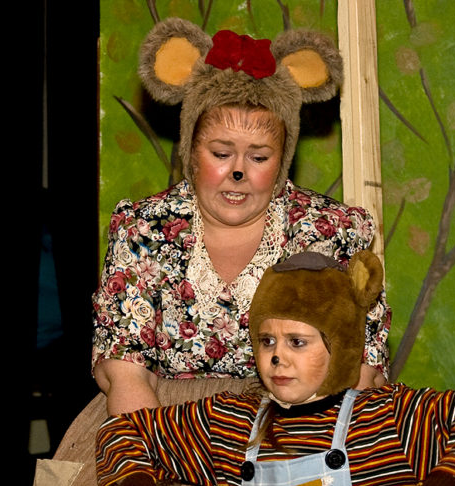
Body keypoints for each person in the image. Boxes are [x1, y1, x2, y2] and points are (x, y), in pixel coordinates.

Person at [93, 250, 455, 486]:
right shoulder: (231, 420)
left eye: (297, 342)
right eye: (267, 341)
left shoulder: (387, 418)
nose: (277, 357)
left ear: (341, 347)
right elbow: (121, 433)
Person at [91, 18, 391, 417]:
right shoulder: (144, 230)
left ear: (282, 159)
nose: (238, 172)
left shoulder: (332, 232)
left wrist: (296, 445)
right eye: (221, 153)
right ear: (191, 151)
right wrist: (162, 448)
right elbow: (125, 372)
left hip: (303, 424)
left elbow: (361, 372)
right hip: (159, 419)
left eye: (259, 157)